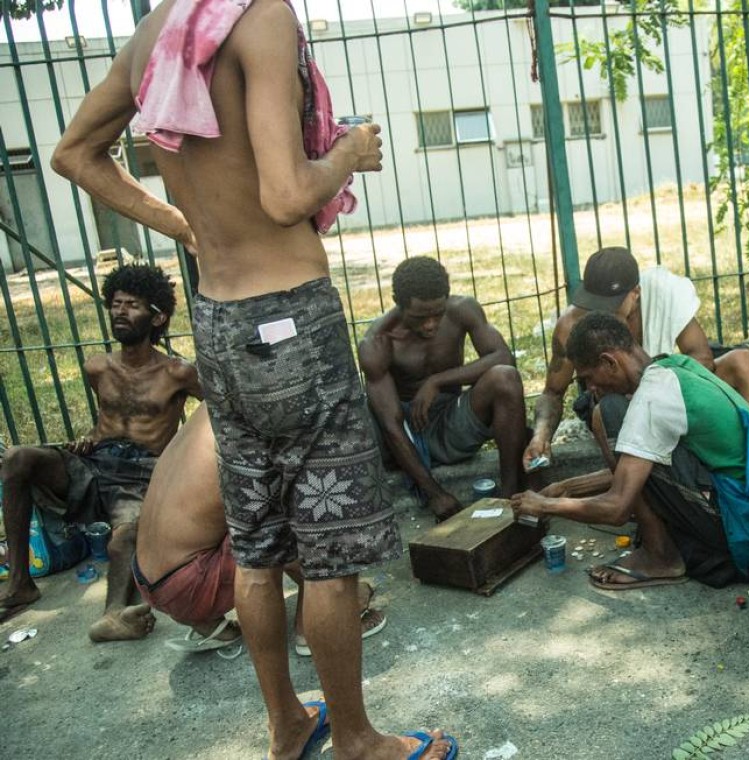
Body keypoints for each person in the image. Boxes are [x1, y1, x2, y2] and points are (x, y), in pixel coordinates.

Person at [51, 1, 453, 757]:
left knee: (260, 548)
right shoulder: (259, 16)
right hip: (292, 322)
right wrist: (350, 152)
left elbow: (74, 153)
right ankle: (359, 740)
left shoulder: (157, 33)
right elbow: (285, 195)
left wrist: (181, 223)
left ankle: (287, 727)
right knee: (328, 553)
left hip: (219, 323)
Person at [522, 246, 749, 525]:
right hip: (616, 403)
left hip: (667, 387)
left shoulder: (663, 290)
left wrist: (657, 386)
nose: (601, 313)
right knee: (607, 412)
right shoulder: (570, 325)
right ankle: (642, 503)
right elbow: (552, 392)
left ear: (635, 293)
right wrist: (540, 435)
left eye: (611, 305)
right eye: (594, 304)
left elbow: (701, 356)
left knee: (744, 361)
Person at [511, 312, 749, 590]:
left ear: (609, 362)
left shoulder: (653, 398)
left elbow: (617, 507)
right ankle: (665, 548)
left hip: (744, 525)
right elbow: (641, 463)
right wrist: (566, 488)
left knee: (607, 412)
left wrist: (545, 506)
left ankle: (660, 556)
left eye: (588, 377)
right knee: (612, 415)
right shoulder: (672, 366)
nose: (590, 387)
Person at [0, 263, 201, 642]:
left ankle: (114, 615)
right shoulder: (98, 367)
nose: (120, 311)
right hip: (94, 465)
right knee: (17, 458)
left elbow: (216, 412)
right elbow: (109, 420)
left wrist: (184, 456)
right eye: (116, 303)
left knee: (122, 539)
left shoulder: (177, 373)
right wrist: (89, 437)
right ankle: (20, 584)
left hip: (142, 473)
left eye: (132, 305)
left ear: (157, 316)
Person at [133, 405, 385, 656]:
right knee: (314, 501)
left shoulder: (218, 400)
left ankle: (207, 624)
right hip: (192, 583)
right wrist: (341, 587)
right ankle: (312, 629)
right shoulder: (262, 412)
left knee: (246, 502)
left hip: (149, 577)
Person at [360, 256, 529, 521]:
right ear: (398, 303)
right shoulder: (378, 342)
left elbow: (503, 357)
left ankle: (513, 496)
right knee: (360, 409)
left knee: (504, 378)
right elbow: (391, 425)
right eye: (420, 317)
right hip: (407, 437)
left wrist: (436, 381)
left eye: (437, 314)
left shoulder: (463, 310)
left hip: (449, 422)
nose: (430, 324)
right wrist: (434, 494)